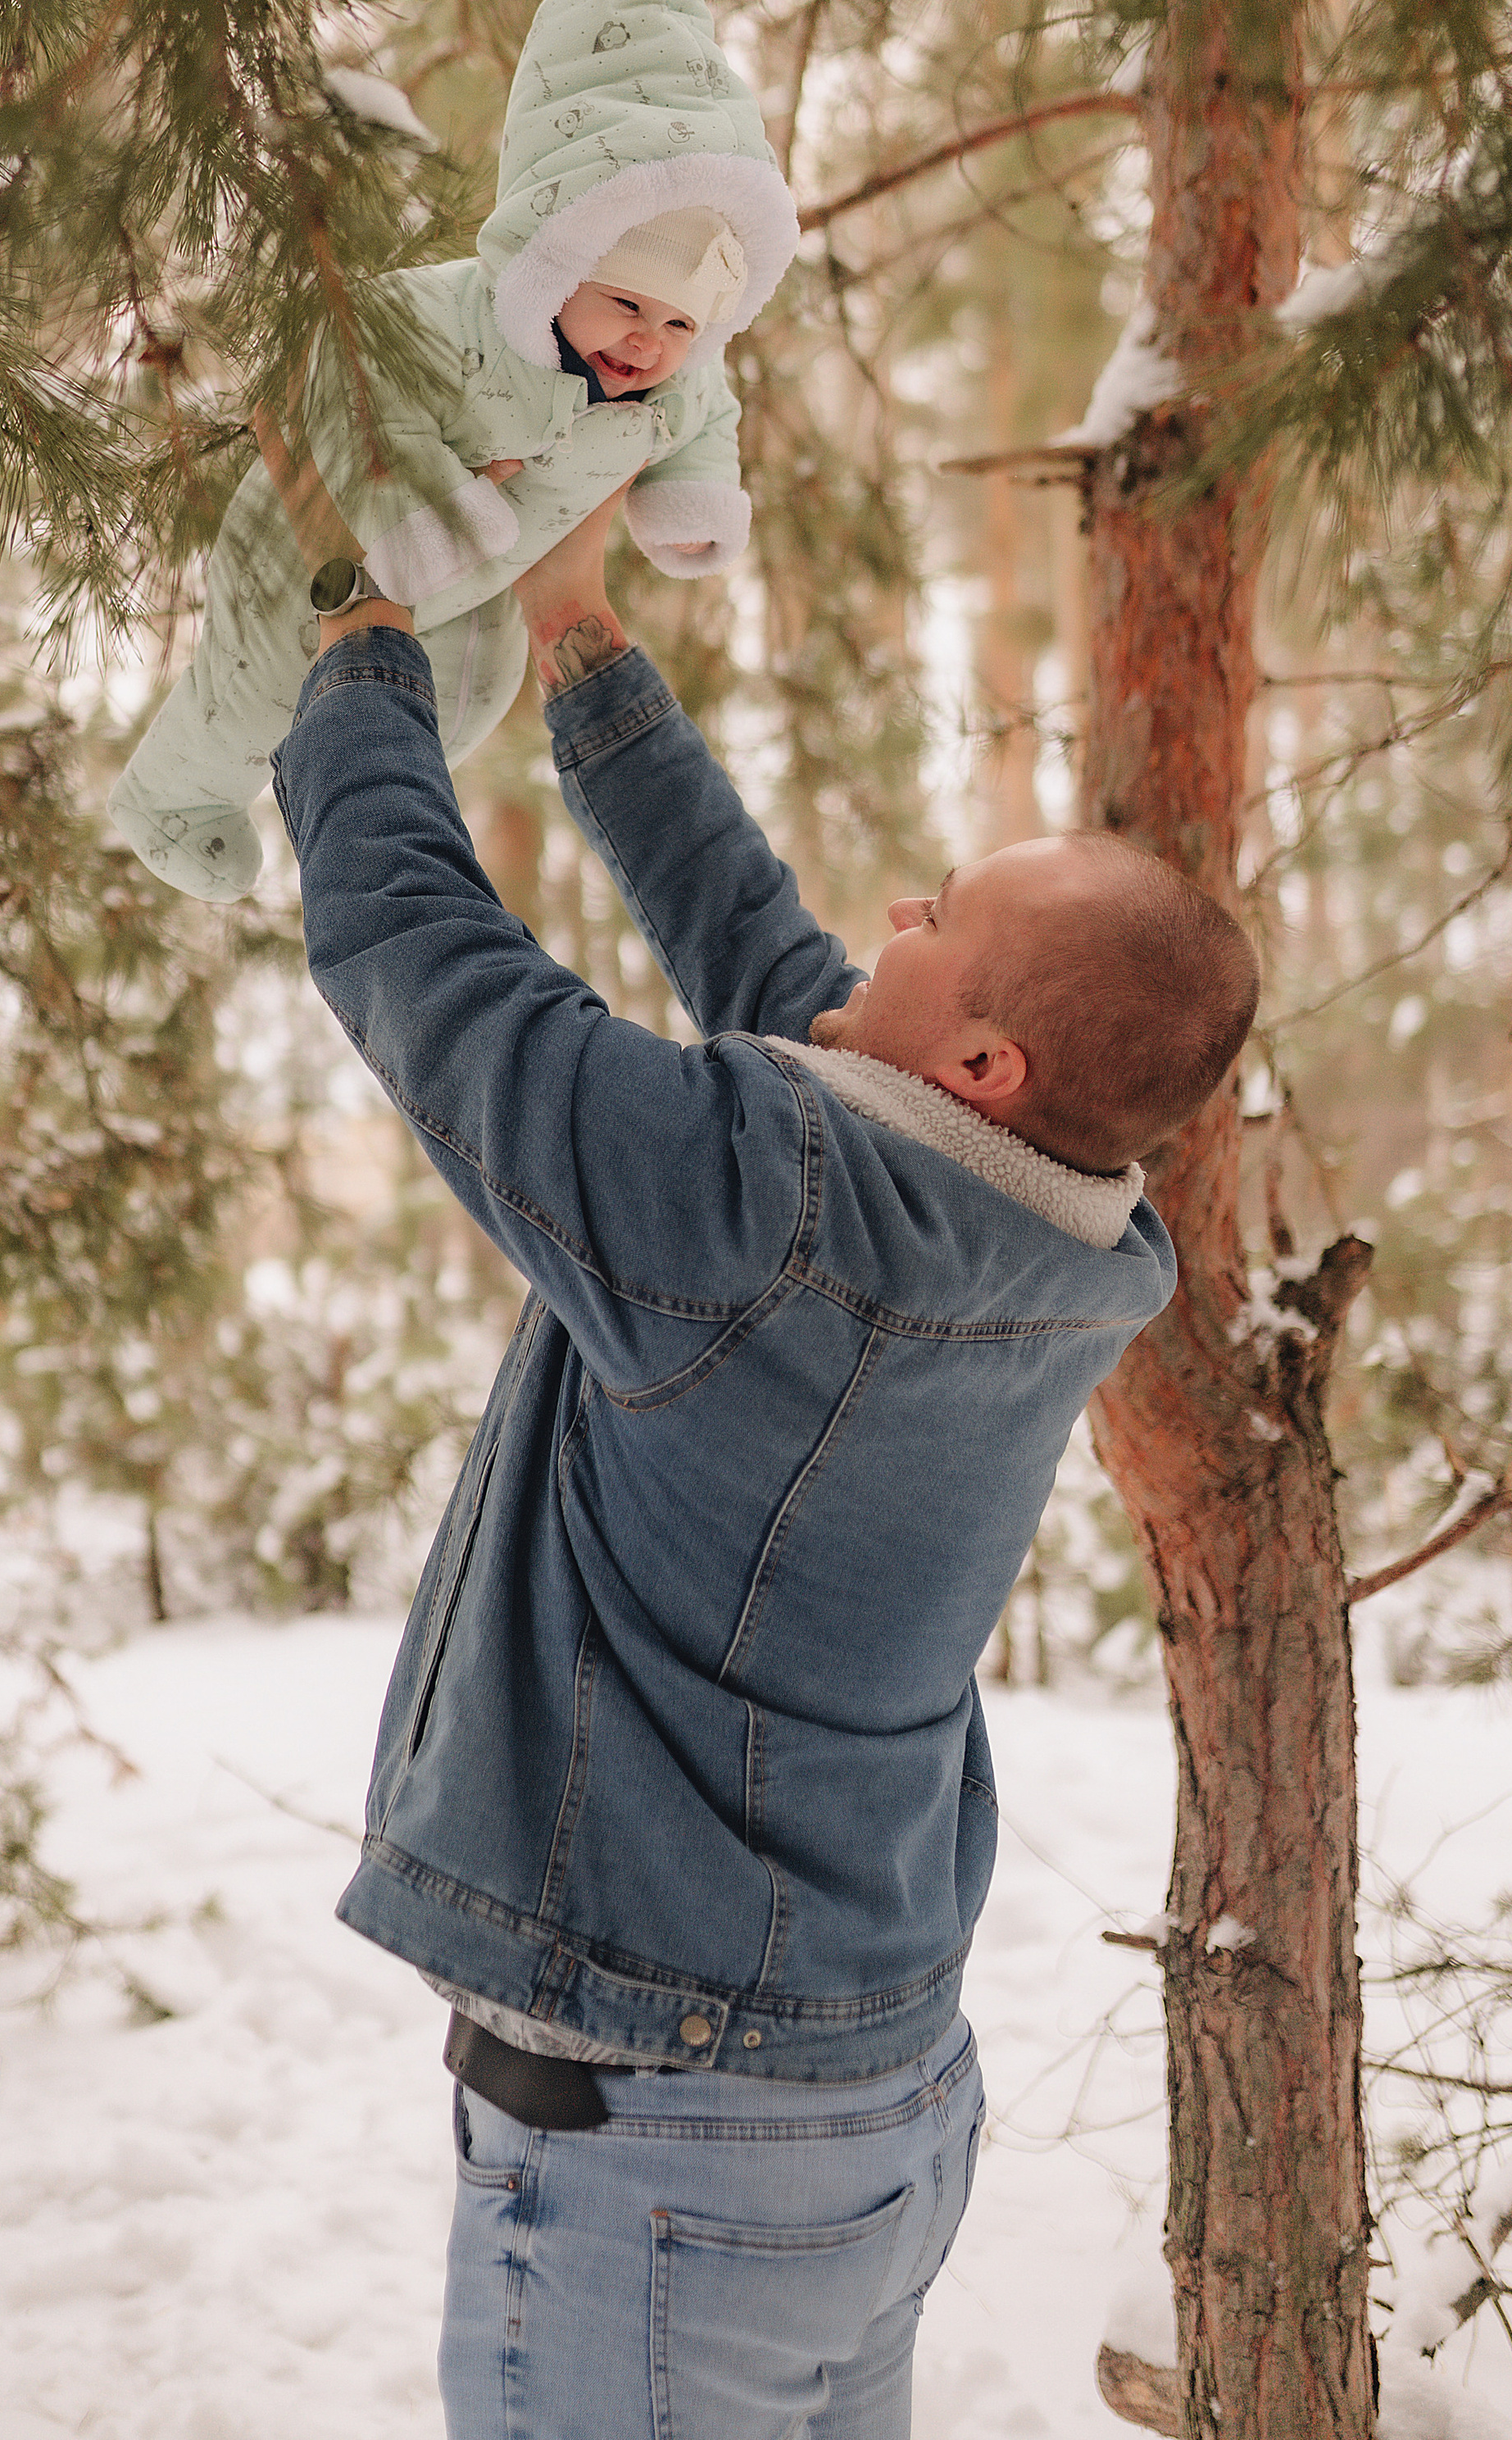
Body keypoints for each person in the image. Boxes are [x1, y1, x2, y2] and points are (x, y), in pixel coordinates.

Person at [267, 486, 1260, 2440]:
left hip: (667, 2142)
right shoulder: (1054, 1236)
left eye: (937, 919)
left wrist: (349, 630)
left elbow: (418, 952)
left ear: (974, 1065)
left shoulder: (756, 1218)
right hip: (860, 2107)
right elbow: (767, 957)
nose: (890, 914)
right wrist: (580, 635)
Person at [110, 0, 797, 901]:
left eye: (684, 325)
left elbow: (707, 414)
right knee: (255, 692)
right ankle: (171, 800)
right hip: (317, 548)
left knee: (449, 714)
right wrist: (425, 515)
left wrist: (691, 501)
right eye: (627, 303)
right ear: (556, 264)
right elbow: (353, 390)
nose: (651, 342)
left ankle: (354, 800)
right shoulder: (442, 321)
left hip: (480, 595)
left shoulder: (677, 376)